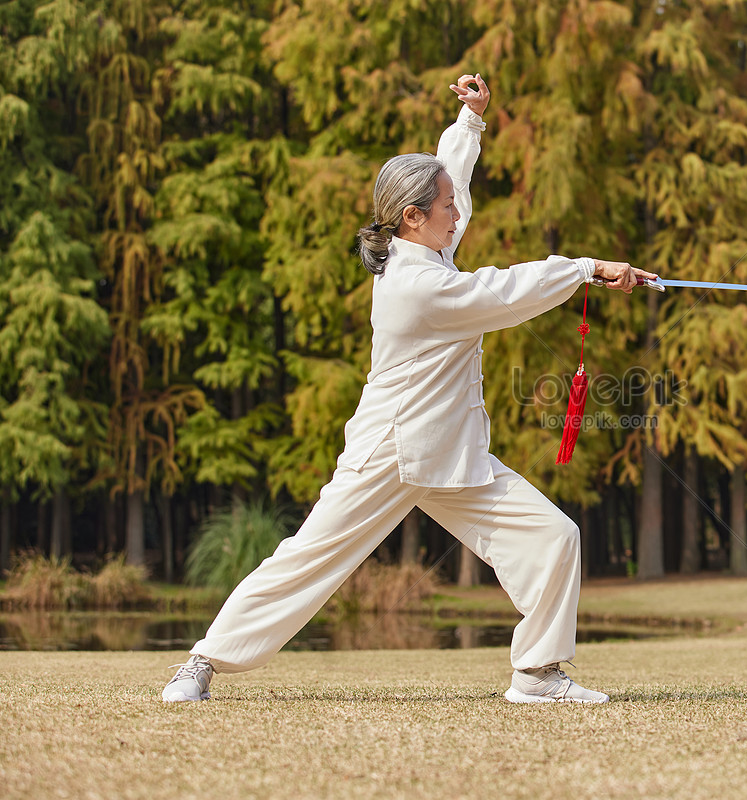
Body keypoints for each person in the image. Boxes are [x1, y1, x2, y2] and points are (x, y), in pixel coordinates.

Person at [162, 73, 656, 704]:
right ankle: (200, 664)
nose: (459, 213)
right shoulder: (419, 286)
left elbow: (452, 173)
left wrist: (471, 121)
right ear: (413, 217)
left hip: (452, 455)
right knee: (308, 559)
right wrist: (588, 268)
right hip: (390, 452)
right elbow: (501, 293)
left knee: (555, 537)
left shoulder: (430, 248)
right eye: (446, 208)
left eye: (452, 203)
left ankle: (537, 676)